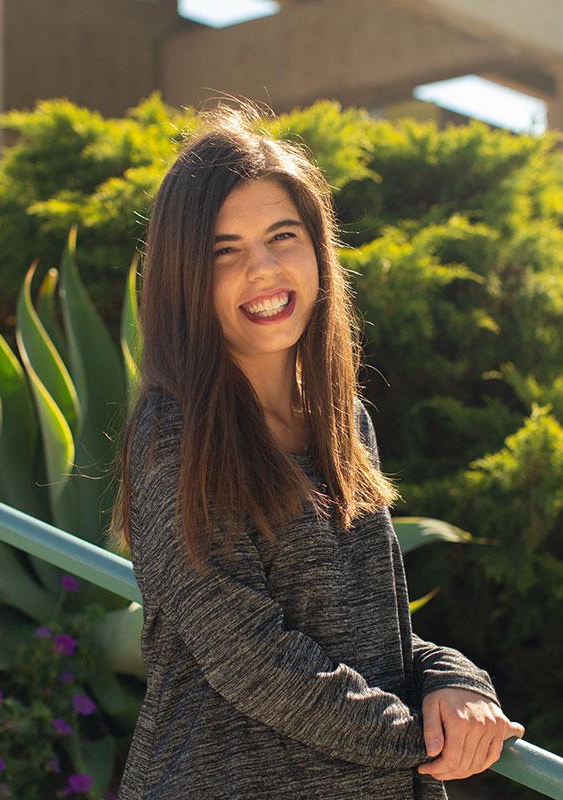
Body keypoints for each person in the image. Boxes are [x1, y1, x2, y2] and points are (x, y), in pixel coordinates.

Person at [110, 97, 525, 800]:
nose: (265, 270)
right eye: (225, 252)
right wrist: (427, 741)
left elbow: (368, 635)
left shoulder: (344, 420)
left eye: (283, 236)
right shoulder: (172, 434)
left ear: (318, 249)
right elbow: (250, 659)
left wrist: (454, 683)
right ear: (185, 279)